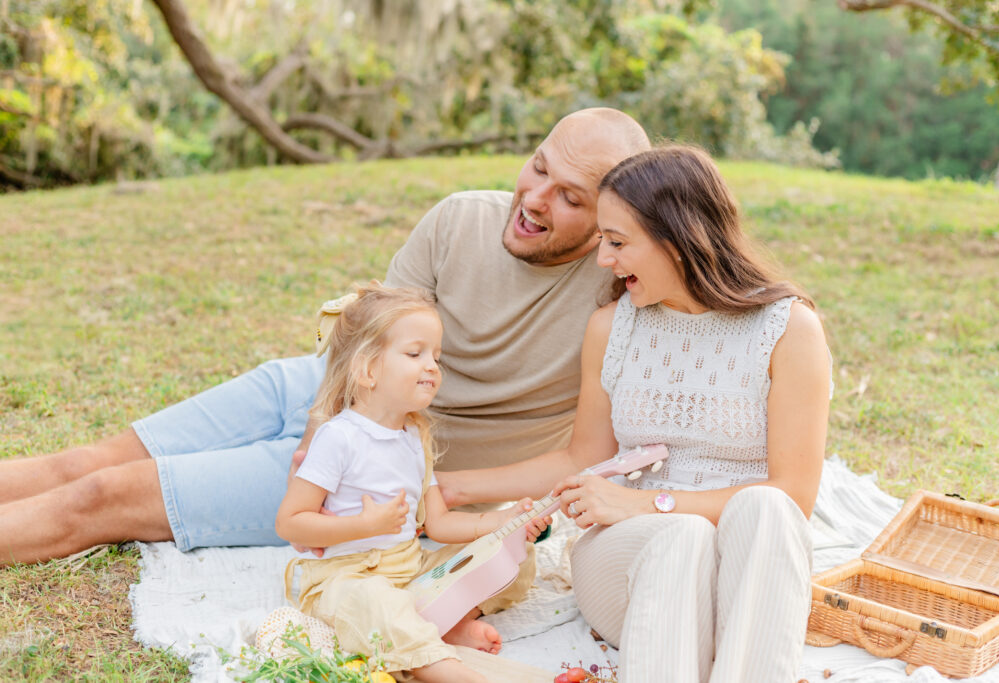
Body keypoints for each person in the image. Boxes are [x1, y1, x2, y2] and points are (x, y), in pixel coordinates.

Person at [0, 107, 650, 565]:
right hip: (312, 391)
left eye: (570, 196)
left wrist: (444, 489)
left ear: (610, 219)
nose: (535, 198)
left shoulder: (617, 303)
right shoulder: (459, 219)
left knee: (97, 497)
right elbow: (368, 337)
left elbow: (584, 450)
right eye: (537, 168)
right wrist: (320, 424)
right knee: (82, 463)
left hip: (373, 468)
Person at [440, 146, 833, 683]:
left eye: (618, 242)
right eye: (603, 239)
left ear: (680, 241)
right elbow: (584, 457)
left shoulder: (788, 330)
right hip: (629, 563)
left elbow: (795, 498)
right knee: (682, 537)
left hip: (747, 575)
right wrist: (453, 488)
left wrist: (647, 502)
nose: (604, 259)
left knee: (766, 507)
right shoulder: (612, 328)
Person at [267, 283, 545, 682]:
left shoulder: (416, 435)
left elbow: (441, 525)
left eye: (436, 356)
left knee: (514, 558)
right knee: (374, 603)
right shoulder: (339, 437)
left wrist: (506, 524)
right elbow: (289, 522)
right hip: (346, 576)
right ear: (367, 370)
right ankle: (440, 665)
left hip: (411, 570)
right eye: (415, 354)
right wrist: (361, 527)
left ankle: (443, 624)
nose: (432, 366)